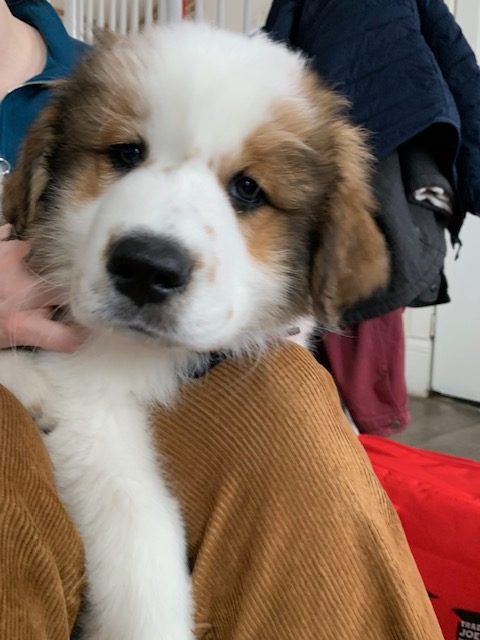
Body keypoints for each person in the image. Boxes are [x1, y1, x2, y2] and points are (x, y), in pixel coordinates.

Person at [0, 1, 444, 638]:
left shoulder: (84, 74)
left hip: (163, 379)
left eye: (246, 191)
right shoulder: (95, 95)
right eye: (125, 154)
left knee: (287, 407)